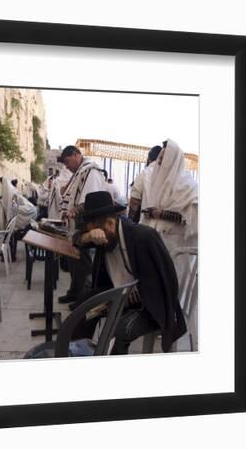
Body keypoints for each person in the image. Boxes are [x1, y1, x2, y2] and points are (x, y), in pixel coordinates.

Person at [72, 191, 187, 354]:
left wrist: (120, 302)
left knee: (119, 329)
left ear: (111, 223)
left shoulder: (143, 237)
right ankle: (79, 353)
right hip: (120, 295)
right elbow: (75, 239)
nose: (98, 243)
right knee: (83, 307)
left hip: (150, 305)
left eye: (95, 232)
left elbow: (161, 286)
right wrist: (88, 236)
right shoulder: (102, 234)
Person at [57, 145, 108, 304]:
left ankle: (82, 300)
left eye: (67, 162)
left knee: (82, 263)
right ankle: (74, 292)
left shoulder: (91, 171)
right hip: (77, 224)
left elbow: (89, 199)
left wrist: (74, 210)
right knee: (74, 261)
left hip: (86, 224)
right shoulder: (81, 172)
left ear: (76, 154)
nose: (67, 166)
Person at [139, 139, 198, 277]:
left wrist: (163, 214)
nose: (159, 165)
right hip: (154, 246)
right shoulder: (157, 184)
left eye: (162, 161)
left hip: (176, 248)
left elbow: (190, 219)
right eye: (159, 161)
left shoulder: (188, 186)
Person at [0, 175, 37, 261]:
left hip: (28, 220)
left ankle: (10, 256)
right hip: (24, 220)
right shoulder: (12, 194)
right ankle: (8, 255)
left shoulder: (15, 195)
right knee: (10, 232)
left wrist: (15, 210)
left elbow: (26, 209)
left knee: (11, 232)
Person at [129, 145, 162, 222]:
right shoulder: (170, 175)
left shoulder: (144, 174)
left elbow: (134, 202)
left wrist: (130, 219)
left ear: (149, 159)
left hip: (146, 223)